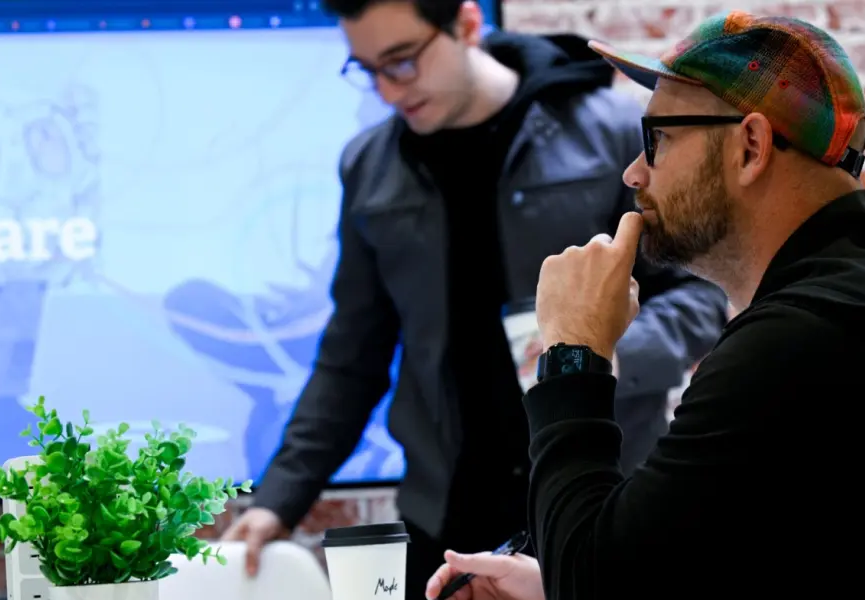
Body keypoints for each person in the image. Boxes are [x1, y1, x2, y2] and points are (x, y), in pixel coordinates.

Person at [428, 10, 865, 600]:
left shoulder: (811, 332)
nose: (634, 173)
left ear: (750, 146)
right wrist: (560, 580)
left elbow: (600, 586)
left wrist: (574, 352)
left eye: (657, 138)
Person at [220, 0, 729, 597]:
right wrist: (278, 499)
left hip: (593, 501)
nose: (387, 90)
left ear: (466, 24)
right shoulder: (368, 166)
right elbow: (351, 357)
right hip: (444, 522)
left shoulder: (613, 133)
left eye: (402, 62)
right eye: (367, 69)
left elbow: (696, 296)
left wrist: (599, 358)